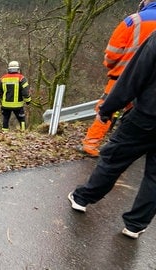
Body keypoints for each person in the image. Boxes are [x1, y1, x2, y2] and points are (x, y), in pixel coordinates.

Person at [68, 30, 156, 239]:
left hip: (146, 115)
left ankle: (82, 199)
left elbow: (133, 78)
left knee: (113, 159)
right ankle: (135, 225)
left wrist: (108, 108)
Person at [81, 0, 156, 157]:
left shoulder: (134, 20)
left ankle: (91, 144)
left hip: (122, 77)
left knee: (106, 108)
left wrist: (111, 65)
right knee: (136, 115)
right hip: (151, 84)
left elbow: (113, 52)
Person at [0, 61, 31, 131]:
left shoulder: (3, 78)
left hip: (5, 105)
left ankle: (4, 135)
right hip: (18, 105)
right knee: (22, 119)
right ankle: (23, 133)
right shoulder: (21, 78)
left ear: (8, 69)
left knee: (5, 119)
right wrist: (28, 101)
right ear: (18, 69)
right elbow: (26, 92)